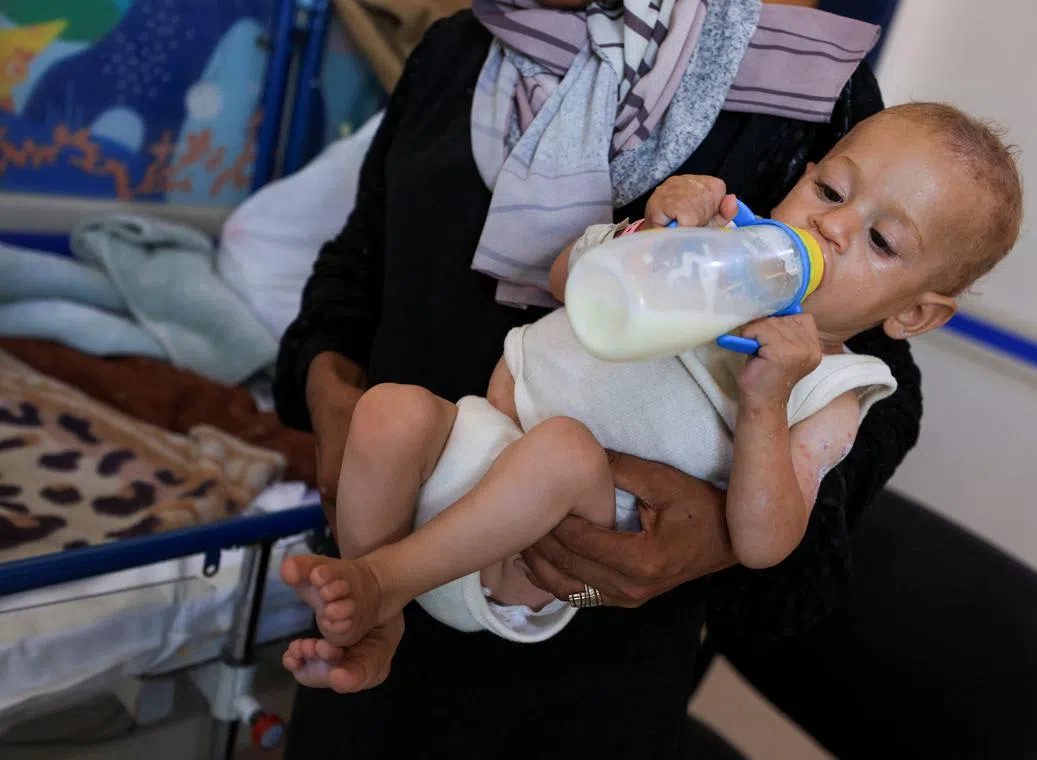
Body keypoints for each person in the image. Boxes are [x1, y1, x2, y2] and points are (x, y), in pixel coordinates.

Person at [274, 2, 931, 757]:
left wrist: (719, 532)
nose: (837, 219)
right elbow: (357, 266)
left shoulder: (805, 80)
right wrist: (334, 399)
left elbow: (875, 386)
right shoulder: (466, 43)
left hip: (583, 632)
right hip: (381, 547)